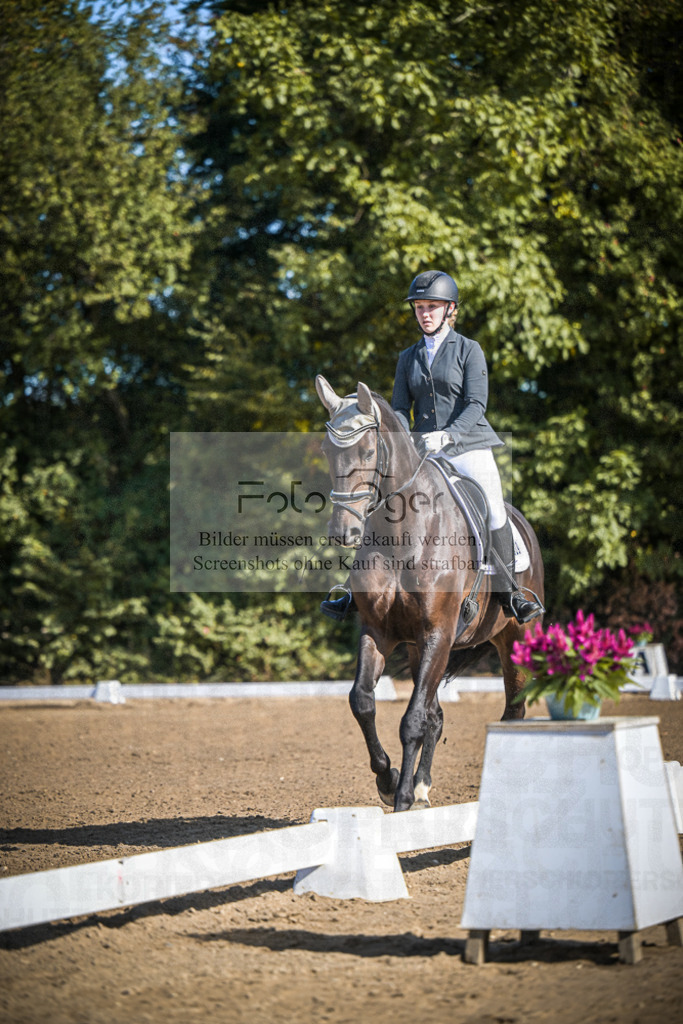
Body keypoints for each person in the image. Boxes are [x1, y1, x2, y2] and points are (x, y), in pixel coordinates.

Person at [320, 270, 544, 624]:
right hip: (422, 449)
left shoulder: (469, 349)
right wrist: (403, 439)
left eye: (432, 307)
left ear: (449, 309)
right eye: (420, 307)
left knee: (493, 506)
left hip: (468, 445)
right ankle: (353, 588)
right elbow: (398, 408)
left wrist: (450, 435)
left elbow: (476, 404)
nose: (425, 313)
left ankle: (510, 592)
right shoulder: (408, 357)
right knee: (382, 502)